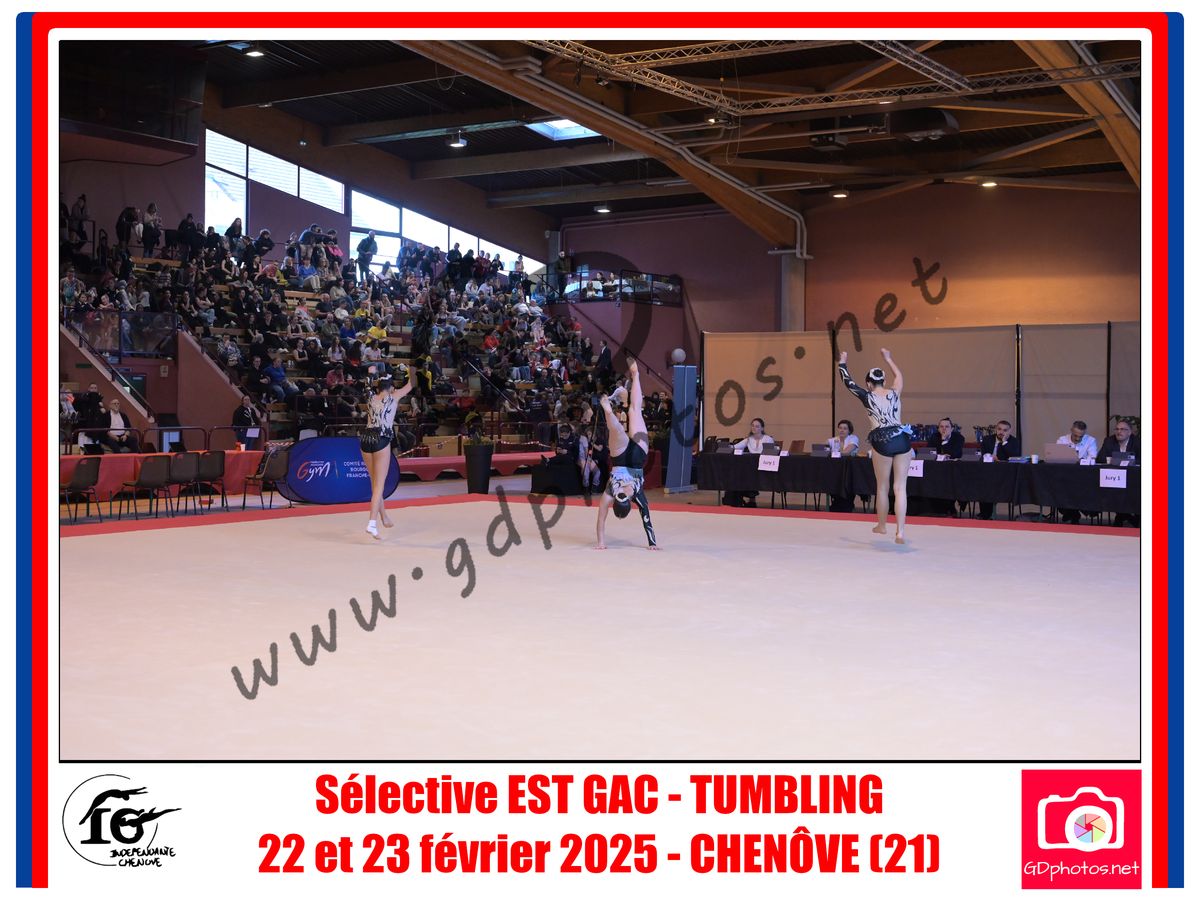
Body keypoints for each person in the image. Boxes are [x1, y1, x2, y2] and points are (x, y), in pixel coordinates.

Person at [837, 348, 912, 544]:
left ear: (869, 384)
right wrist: (889, 358)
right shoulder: (895, 392)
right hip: (902, 437)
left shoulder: (867, 396)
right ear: (884, 381)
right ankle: (900, 532)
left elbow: (848, 383)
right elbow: (899, 376)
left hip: (882, 439)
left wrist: (842, 362)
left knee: (882, 486)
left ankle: (882, 525)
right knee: (900, 487)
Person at [595, 360, 658, 550]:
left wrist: (652, 543)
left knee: (634, 411)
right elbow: (601, 519)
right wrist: (601, 543)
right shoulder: (610, 493)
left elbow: (646, 518)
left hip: (638, 457)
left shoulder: (636, 495)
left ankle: (636, 375)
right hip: (620, 459)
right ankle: (609, 413)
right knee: (617, 431)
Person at [360, 368, 415, 540]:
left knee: (374, 482)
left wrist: (370, 373)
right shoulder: (394, 396)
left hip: (366, 439)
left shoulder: (370, 396)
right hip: (381, 439)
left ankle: (383, 517)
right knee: (379, 486)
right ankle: (372, 522)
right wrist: (412, 369)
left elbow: (366, 384)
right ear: (391, 387)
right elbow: (412, 383)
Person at [1055, 420, 1099, 524]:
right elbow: (1057, 457)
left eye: (1081, 436)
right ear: (1071, 430)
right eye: (1075, 435)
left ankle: (1072, 513)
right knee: (1058, 487)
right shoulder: (1062, 440)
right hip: (1065, 475)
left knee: (1081, 488)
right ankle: (1072, 513)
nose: (1078, 439)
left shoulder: (1091, 440)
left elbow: (1092, 458)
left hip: (1083, 476)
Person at [1099, 419, 1141, 526]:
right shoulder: (1109, 440)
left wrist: (1124, 461)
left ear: (1130, 432)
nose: (1119, 432)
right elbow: (1100, 458)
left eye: (1122, 429)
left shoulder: (1137, 442)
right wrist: (1116, 460)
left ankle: (1124, 516)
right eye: (1117, 429)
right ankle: (1124, 515)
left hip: (1133, 478)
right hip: (1114, 477)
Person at [726, 417, 775, 508]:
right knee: (741, 473)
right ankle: (742, 499)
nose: (754, 428)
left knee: (747, 473)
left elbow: (771, 453)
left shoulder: (768, 439)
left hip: (764, 467)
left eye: (757, 426)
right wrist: (726, 446)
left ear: (762, 428)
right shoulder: (749, 439)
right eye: (752, 426)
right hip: (752, 468)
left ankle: (751, 499)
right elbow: (736, 447)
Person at [977, 420, 1020, 520]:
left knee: (991, 484)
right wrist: (989, 457)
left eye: (1005, 430)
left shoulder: (1014, 441)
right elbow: (983, 454)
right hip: (988, 472)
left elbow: (1015, 456)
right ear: (996, 429)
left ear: (1009, 431)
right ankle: (985, 514)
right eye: (999, 429)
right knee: (983, 483)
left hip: (1005, 474)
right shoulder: (987, 439)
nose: (1001, 432)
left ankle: (987, 514)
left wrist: (1004, 442)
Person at [828, 419, 861, 513]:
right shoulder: (834, 440)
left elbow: (846, 452)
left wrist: (832, 452)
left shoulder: (853, 438)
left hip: (850, 470)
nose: (842, 430)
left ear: (849, 430)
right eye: (840, 428)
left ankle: (847, 506)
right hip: (836, 471)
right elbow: (821, 449)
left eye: (845, 428)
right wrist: (825, 449)